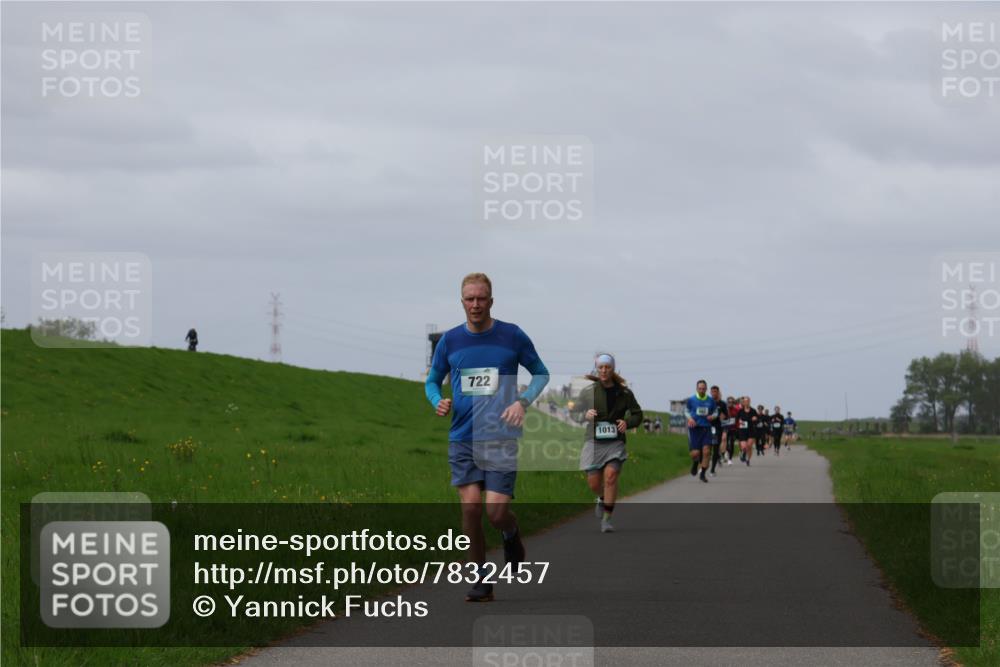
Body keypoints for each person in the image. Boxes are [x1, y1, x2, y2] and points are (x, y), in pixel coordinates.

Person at [425, 273, 549, 602]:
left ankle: (510, 531)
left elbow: (541, 372)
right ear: (462, 302)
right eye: (469, 299)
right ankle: (481, 580)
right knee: (470, 509)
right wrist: (438, 401)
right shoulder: (450, 341)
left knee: (495, 512)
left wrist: (522, 402)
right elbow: (432, 380)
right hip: (462, 437)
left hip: (500, 436)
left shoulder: (512, 335)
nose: (475, 304)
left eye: (481, 298)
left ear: (491, 301)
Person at [573, 353, 643, 533]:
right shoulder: (588, 391)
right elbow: (574, 413)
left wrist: (627, 422)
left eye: (608, 367)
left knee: (611, 477)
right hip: (593, 441)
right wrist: (584, 415)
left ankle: (607, 519)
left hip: (615, 441)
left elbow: (637, 414)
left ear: (613, 369)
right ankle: (602, 497)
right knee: (594, 483)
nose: (604, 370)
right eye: (601, 367)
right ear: (597, 369)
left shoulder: (625, 392)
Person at [685, 379, 716, 483]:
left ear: (706, 389)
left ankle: (702, 473)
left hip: (706, 428)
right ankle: (695, 463)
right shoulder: (691, 400)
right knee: (695, 453)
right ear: (697, 388)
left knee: (707, 452)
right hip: (695, 429)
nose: (702, 390)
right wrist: (690, 418)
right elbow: (686, 411)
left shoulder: (711, 400)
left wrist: (713, 416)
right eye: (700, 388)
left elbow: (715, 412)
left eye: (703, 388)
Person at [707, 385, 726, 476]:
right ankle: (703, 466)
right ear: (710, 393)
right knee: (706, 448)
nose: (714, 393)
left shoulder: (722, 404)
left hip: (717, 428)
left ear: (718, 393)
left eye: (715, 392)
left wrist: (723, 416)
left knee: (715, 448)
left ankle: (712, 470)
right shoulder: (707, 402)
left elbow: (726, 416)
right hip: (707, 427)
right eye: (712, 392)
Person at [736, 396, 758, 466]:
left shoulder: (753, 411)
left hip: (751, 430)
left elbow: (757, 420)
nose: (746, 403)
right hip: (742, 431)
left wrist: (755, 419)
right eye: (745, 401)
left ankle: (748, 459)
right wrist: (739, 421)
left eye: (748, 401)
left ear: (749, 402)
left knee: (749, 446)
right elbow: (737, 420)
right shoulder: (740, 411)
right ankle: (743, 453)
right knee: (744, 447)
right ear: (743, 403)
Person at [725, 396, 739, 465]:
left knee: (732, 443)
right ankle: (726, 451)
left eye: (731, 402)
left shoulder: (736, 410)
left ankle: (730, 459)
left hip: (733, 429)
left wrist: (737, 427)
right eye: (729, 402)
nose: (730, 403)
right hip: (726, 428)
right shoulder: (724, 409)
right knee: (726, 442)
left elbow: (738, 419)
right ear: (727, 402)